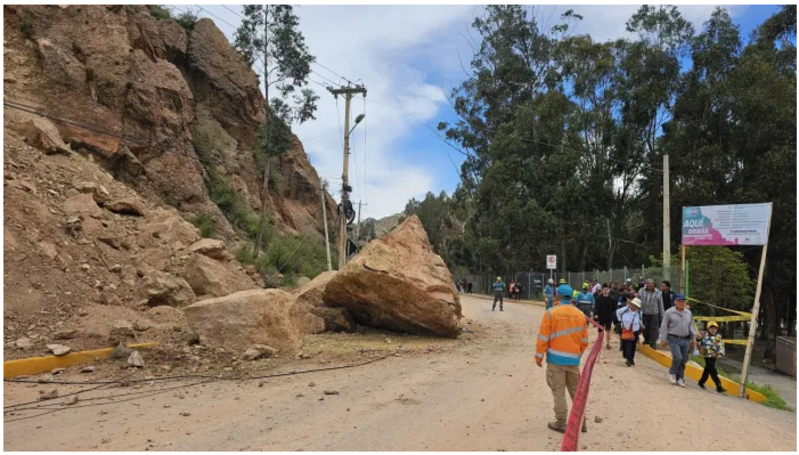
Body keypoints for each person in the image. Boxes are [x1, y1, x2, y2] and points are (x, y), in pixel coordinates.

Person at [535, 284, 589, 434]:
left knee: (558, 392)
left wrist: (539, 357)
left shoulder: (551, 313)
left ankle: (560, 422)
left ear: (558, 296)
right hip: (573, 362)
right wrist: (576, 356)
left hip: (555, 361)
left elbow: (543, 338)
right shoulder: (580, 315)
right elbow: (584, 341)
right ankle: (581, 422)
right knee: (576, 393)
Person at [659, 293, 697, 388]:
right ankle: (672, 372)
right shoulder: (669, 312)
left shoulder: (688, 313)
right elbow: (664, 326)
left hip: (685, 339)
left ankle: (680, 378)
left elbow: (691, 326)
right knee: (678, 357)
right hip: (673, 338)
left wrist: (694, 337)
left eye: (683, 301)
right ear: (675, 302)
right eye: (679, 301)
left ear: (685, 302)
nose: (681, 303)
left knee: (684, 359)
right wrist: (663, 339)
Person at [697, 321, 728, 393]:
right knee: (712, 369)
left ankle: (701, 382)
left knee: (708, 369)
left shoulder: (718, 337)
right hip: (706, 354)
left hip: (714, 355)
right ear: (708, 328)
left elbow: (721, 346)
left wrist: (721, 353)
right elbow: (698, 343)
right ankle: (718, 385)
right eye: (711, 328)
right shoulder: (703, 335)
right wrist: (698, 339)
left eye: (715, 328)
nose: (713, 330)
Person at [616, 297, 644, 366]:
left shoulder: (639, 312)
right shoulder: (625, 309)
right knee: (627, 345)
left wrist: (642, 325)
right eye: (632, 305)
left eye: (635, 306)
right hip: (625, 330)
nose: (633, 307)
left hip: (635, 331)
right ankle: (628, 358)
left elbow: (640, 320)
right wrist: (620, 320)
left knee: (633, 346)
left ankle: (630, 359)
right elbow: (617, 312)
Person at [639, 279, 665, 349]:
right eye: (648, 283)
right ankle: (646, 340)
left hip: (654, 314)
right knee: (645, 328)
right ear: (646, 284)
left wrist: (662, 315)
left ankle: (653, 343)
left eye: (651, 283)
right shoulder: (641, 291)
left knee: (654, 329)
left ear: (654, 284)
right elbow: (637, 301)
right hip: (644, 313)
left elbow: (661, 304)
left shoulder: (658, 292)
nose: (650, 285)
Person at [594, 284, 616, 350]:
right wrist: (596, 314)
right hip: (600, 317)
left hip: (609, 317)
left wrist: (612, 315)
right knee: (600, 331)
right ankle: (599, 344)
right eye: (604, 290)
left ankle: (608, 344)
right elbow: (596, 308)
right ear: (602, 290)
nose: (605, 291)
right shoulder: (598, 299)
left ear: (608, 290)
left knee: (608, 330)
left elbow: (614, 308)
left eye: (606, 290)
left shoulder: (612, 299)